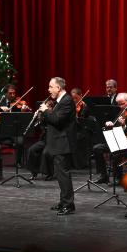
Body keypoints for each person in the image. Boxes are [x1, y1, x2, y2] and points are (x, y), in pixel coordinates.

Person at [37, 77, 77, 215]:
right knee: (60, 175)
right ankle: (63, 201)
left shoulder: (67, 101)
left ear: (58, 88)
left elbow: (57, 120)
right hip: (57, 143)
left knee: (63, 175)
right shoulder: (59, 101)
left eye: (50, 87)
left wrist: (46, 110)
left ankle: (69, 204)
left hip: (63, 143)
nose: (48, 90)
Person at [91, 93, 127, 184]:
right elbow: (115, 126)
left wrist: (124, 125)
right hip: (117, 140)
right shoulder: (120, 111)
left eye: (122, 103)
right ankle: (103, 176)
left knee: (116, 152)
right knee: (97, 148)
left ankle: (118, 177)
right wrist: (110, 124)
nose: (120, 106)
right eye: (118, 104)